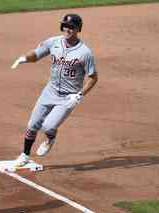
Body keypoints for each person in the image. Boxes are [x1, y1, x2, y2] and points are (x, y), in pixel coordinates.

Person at [11, 14, 98, 166]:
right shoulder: (54, 42)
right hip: (50, 91)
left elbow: (93, 77)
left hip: (68, 98)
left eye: (71, 27)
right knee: (33, 124)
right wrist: (24, 58)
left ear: (78, 29)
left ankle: (50, 137)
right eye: (65, 25)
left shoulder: (85, 53)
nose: (67, 29)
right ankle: (25, 155)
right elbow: (36, 54)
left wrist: (79, 95)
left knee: (48, 126)